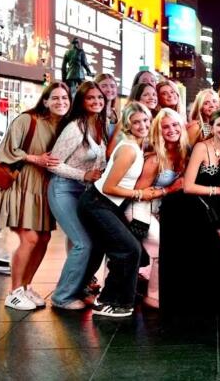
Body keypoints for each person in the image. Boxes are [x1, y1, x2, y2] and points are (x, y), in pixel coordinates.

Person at [0, 82, 70, 311]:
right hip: (20, 186)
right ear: (45, 101)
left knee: (44, 238)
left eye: (65, 98)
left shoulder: (64, 126)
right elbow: (7, 149)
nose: (61, 102)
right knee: (30, 239)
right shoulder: (27, 119)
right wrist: (35, 158)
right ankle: (13, 292)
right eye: (55, 98)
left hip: (42, 188)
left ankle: (25, 286)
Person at [79, 102, 162, 317]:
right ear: (128, 125)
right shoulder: (128, 150)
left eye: (145, 120)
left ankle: (113, 299)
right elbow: (109, 187)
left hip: (108, 205)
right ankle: (112, 301)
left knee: (130, 249)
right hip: (97, 203)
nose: (142, 125)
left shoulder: (137, 146)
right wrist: (140, 194)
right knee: (130, 249)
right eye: (136, 122)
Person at [163, 109, 220, 314]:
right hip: (188, 206)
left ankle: (211, 303)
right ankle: (193, 305)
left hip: (212, 206)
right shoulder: (202, 147)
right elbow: (188, 186)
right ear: (211, 127)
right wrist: (218, 191)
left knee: (218, 257)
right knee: (210, 254)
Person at [47, 82, 107, 310]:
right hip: (63, 189)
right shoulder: (74, 128)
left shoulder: (98, 124)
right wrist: (83, 174)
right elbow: (53, 163)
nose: (96, 101)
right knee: (83, 243)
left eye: (99, 97)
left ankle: (79, 289)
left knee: (91, 242)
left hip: (84, 192)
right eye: (90, 98)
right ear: (81, 101)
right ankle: (62, 297)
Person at [127, 108, 188, 309]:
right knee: (161, 247)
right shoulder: (154, 159)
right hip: (139, 208)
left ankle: (157, 292)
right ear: (158, 131)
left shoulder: (183, 153)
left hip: (159, 209)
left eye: (175, 124)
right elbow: (138, 193)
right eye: (165, 127)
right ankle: (153, 296)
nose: (171, 130)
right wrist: (169, 189)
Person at [107, 82, 159, 159]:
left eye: (154, 94)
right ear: (136, 98)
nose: (152, 98)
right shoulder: (126, 119)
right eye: (146, 95)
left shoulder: (153, 120)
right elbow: (110, 151)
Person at [94, 73, 119, 139]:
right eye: (104, 86)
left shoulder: (116, 113)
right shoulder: (92, 113)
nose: (109, 90)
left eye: (112, 86)